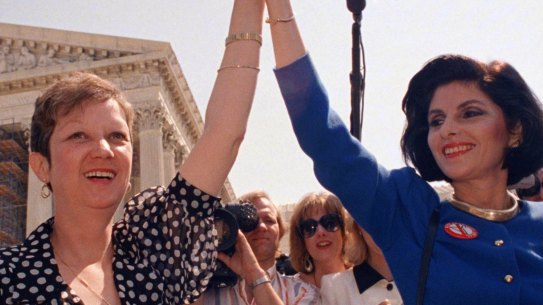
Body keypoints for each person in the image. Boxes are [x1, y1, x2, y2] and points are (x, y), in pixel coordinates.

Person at [263, 0, 543, 304]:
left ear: (514, 131)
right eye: (436, 120)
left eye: (470, 113)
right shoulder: (410, 216)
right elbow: (324, 137)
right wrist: (280, 12)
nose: (448, 129)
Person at [0, 1, 268, 304]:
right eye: (78, 136)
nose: (103, 149)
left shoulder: (157, 258)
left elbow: (225, 134)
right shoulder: (8, 276)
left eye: (117, 136)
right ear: (41, 166)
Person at [197, 190, 320, 305]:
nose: (261, 226)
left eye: (269, 220)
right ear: (234, 229)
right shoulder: (205, 293)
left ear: (280, 231)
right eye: (250, 221)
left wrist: (253, 273)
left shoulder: (302, 292)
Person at [320, 217, 403, 305]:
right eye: (373, 218)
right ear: (357, 225)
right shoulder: (335, 288)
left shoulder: (417, 281)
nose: (382, 228)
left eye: (391, 217)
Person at [289, 192, 350, 289]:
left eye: (330, 223)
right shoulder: (290, 291)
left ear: (344, 231)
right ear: (301, 239)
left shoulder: (367, 283)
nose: (320, 232)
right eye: (310, 227)